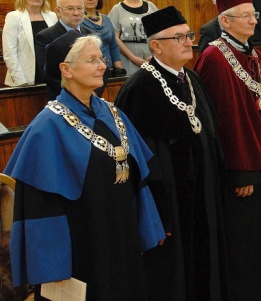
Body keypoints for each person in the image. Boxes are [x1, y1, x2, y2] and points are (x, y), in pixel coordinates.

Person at [4, 32, 165, 299]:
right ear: (65, 69)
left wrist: (145, 228)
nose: (102, 65)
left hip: (122, 238)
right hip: (82, 248)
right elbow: (40, 207)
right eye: (92, 60)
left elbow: (138, 177)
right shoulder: (47, 127)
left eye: (101, 58)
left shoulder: (113, 114)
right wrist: (53, 267)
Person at [114, 6, 227, 301]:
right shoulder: (139, 88)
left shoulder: (191, 79)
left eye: (188, 35)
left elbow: (211, 133)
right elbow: (139, 159)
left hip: (204, 192)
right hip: (170, 203)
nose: (188, 41)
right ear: (156, 46)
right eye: (179, 37)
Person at [194, 0, 261, 300]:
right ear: (225, 21)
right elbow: (222, 122)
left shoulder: (252, 53)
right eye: (246, 16)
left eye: (254, 15)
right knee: (247, 237)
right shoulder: (214, 57)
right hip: (244, 171)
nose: (254, 21)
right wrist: (241, 171)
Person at [35, 0, 93, 99]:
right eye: (70, 8)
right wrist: (76, 92)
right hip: (63, 97)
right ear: (58, 11)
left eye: (80, 8)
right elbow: (48, 74)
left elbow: (103, 67)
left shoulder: (91, 35)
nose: (76, 13)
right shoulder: (45, 36)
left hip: (91, 96)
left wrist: (93, 91)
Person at [2, 0, 57, 86]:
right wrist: (21, 81)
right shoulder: (14, 17)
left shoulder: (52, 16)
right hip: (24, 78)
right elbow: (10, 53)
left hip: (49, 76)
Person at [108, 0, 158, 75]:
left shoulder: (151, 7)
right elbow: (114, 38)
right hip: (128, 61)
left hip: (151, 60)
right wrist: (133, 58)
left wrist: (155, 55)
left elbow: (159, 34)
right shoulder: (117, 9)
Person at [77, 0, 123, 76]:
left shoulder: (106, 19)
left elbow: (113, 46)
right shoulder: (77, 20)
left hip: (109, 70)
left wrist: (119, 69)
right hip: (88, 71)